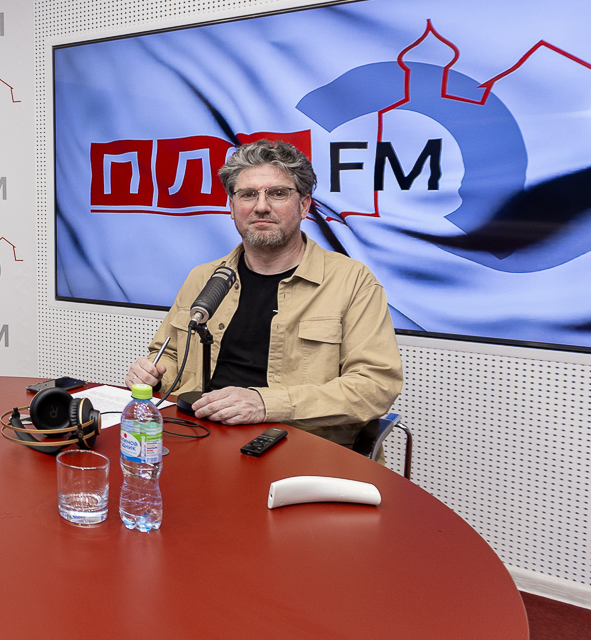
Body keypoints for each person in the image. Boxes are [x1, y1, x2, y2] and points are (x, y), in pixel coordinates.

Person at [124, 140, 401, 446]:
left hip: (299, 447)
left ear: (304, 205)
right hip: (196, 436)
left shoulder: (353, 281)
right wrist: (153, 375)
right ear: (232, 207)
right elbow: (170, 355)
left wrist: (265, 404)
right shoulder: (203, 278)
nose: (261, 206)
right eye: (248, 194)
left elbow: (375, 387)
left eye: (278, 193)